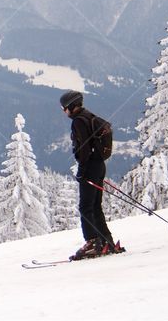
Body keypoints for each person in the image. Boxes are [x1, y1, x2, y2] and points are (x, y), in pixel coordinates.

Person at [60, 90, 123, 260]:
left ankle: (92, 243)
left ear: (71, 106)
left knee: (85, 207)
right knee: (95, 206)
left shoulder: (79, 121)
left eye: (64, 108)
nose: (64, 111)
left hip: (90, 167)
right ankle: (106, 241)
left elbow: (84, 149)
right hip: (99, 165)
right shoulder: (89, 116)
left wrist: (82, 171)